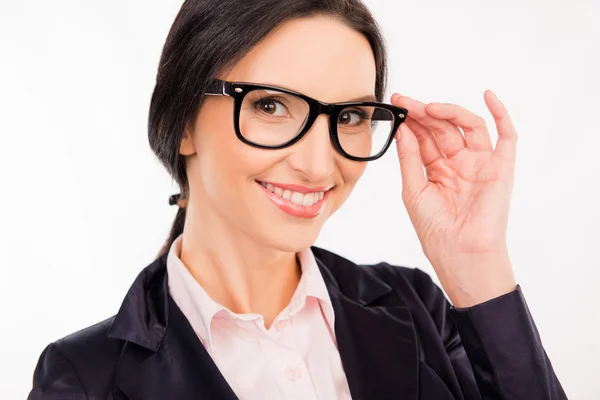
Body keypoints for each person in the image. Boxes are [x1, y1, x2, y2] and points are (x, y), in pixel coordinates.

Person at [27, 0, 567, 399]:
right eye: (269, 107)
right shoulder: (85, 377)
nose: (316, 164)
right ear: (179, 123)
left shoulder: (414, 307)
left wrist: (477, 266)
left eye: (350, 117)